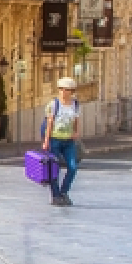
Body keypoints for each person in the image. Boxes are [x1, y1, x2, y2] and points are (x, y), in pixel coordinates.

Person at [41, 76, 83, 208]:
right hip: (55, 140)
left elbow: (76, 120)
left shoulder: (75, 104)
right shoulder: (54, 104)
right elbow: (49, 123)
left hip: (69, 141)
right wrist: (46, 141)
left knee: (72, 167)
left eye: (66, 90)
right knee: (55, 169)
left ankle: (64, 192)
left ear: (71, 91)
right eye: (60, 89)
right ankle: (55, 195)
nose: (63, 92)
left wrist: (76, 132)